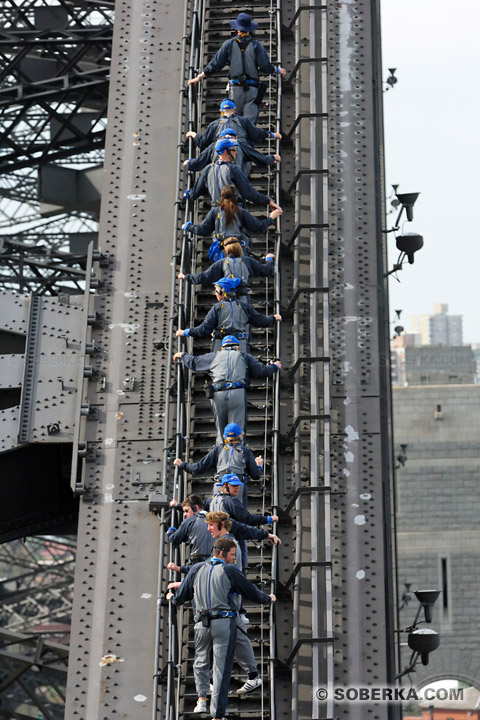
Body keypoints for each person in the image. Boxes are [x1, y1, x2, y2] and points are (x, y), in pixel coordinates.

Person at [166, 537, 276, 719]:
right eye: (232, 555)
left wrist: (171, 598)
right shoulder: (229, 569)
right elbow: (249, 590)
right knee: (220, 669)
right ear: (223, 553)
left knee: (200, 661)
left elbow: (181, 597)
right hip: (224, 623)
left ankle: (201, 699)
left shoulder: (196, 568)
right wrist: (267, 598)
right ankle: (217, 715)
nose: (234, 558)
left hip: (201, 623)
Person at [205, 511, 280, 694]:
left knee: (219, 639)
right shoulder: (228, 542)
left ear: (221, 525)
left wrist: (263, 598)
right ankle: (253, 676)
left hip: (226, 601)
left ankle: (215, 681)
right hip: (229, 601)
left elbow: (235, 577)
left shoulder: (228, 546)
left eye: (211, 525)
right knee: (238, 639)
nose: (208, 529)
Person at [173, 335, 281, 443]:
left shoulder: (214, 356)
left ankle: (221, 454)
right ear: (238, 347)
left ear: (222, 347)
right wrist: (274, 366)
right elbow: (261, 371)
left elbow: (194, 362)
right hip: (237, 393)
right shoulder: (244, 355)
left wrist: (182, 355)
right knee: (237, 431)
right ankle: (237, 456)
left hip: (217, 394)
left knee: (221, 432)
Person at [187, 12, 287, 123]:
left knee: (234, 122)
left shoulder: (228, 44)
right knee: (248, 125)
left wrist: (199, 77)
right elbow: (265, 66)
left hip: (235, 89)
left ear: (237, 29)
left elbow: (215, 64)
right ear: (249, 29)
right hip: (253, 90)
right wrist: (277, 70)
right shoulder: (256, 45)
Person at [176, 277, 281, 353]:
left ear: (223, 292)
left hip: (220, 344)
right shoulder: (244, 306)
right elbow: (260, 321)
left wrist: (184, 332)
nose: (215, 293)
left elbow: (203, 330)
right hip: (241, 345)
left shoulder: (216, 308)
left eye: (216, 291)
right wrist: (273, 318)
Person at [174, 422, 265, 506]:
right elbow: (255, 475)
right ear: (240, 435)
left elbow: (198, 468)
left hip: (220, 486)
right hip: (238, 488)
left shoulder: (218, 450)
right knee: (239, 517)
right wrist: (259, 466)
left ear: (225, 436)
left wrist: (182, 464)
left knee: (218, 515)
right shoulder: (245, 452)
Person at [183, 184, 281, 260]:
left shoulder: (215, 211)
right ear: (236, 197)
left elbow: (202, 230)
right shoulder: (241, 211)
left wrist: (189, 226)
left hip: (223, 251)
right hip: (240, 249)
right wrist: (271, 218)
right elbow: (258, 227)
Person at [183, 138, 282, 210]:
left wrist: (188, 194)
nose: (236, 152)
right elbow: (249, 193)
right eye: (234, 150)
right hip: (234, 210)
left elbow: (198, 189)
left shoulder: (208, 169)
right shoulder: (233, 169)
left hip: (216, 211)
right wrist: (268, 202)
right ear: (226, 152)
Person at [178, 236, 275, 305]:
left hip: (227, 299)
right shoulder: (248, 261)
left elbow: (205, 276)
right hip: (244, 298)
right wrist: (269, 260)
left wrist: (186, 277)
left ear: (226, 249)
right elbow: (267, 270)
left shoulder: (222, 263)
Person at [184, 109, 281, 176]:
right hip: (237, 181)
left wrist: (189, 163)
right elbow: (258, 155)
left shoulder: (214, 139)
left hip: (218, 182)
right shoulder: (241, 142)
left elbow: (202, 149)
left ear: (221, 111)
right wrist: (272, 158)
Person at [186, 99, 282, 151]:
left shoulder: (214, 125)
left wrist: (192, 134)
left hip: (221, 154)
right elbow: (256, 134)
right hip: (242, 149)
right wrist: (273, 135)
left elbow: (202, 141)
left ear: (221, 111)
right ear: (234, 110)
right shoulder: (243, 121)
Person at [165, 497, 213, 570]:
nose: (185, 514)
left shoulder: (189, 521)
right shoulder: (215, 519)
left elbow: (174, 539)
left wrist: (170, 531)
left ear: (195, 508)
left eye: (186, 511)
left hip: (196, 564)